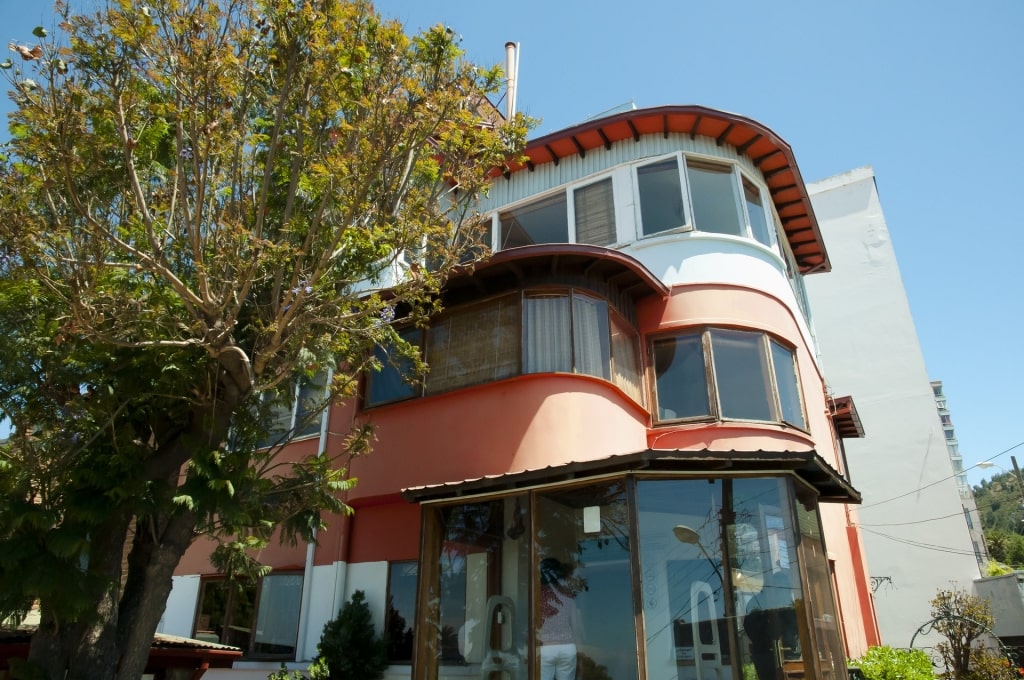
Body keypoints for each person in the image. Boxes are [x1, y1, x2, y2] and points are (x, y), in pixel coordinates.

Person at [538, 557, 582, 680]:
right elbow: (575, 624)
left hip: (546, 646)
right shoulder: (568, 594)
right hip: (567, 647)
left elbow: (534, 623)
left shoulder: (538, 595)